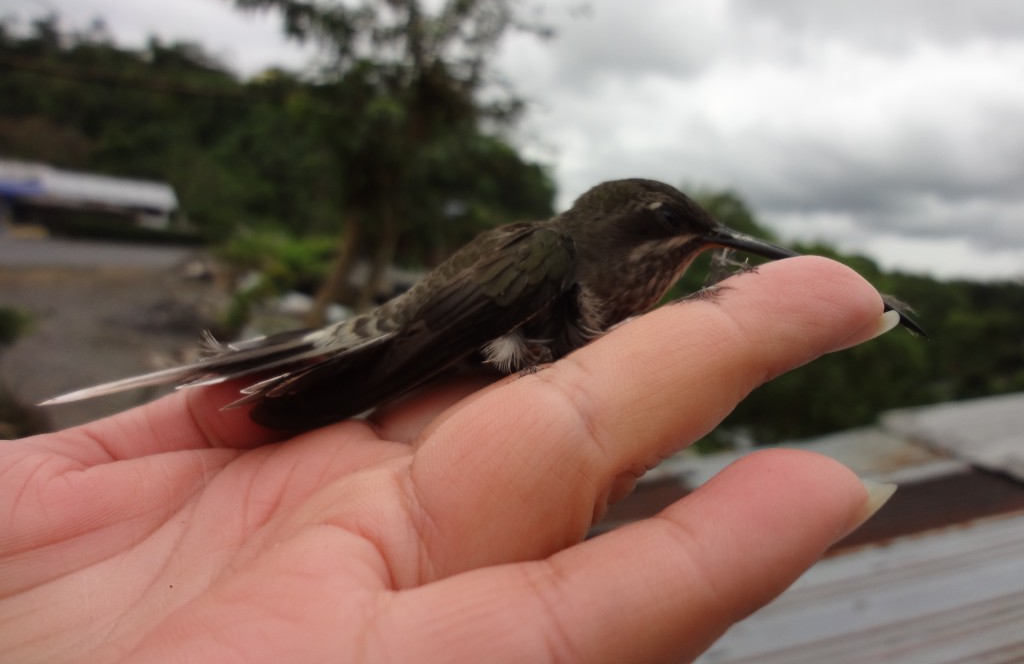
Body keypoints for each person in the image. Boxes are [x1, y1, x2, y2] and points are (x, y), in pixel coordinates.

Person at [0, 257, 897, 663]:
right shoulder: (549, 254)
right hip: (443, 344)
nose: (693, 246)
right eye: (670, 231)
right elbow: (450, 333)